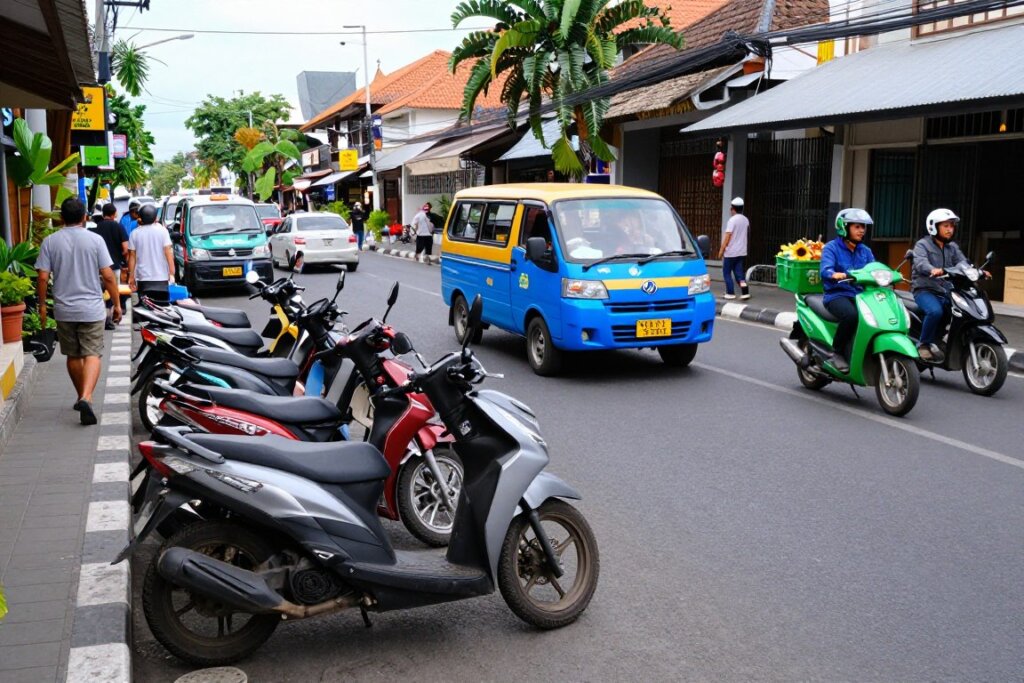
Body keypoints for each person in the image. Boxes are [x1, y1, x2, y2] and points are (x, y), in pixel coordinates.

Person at [35, 198, 121, 425]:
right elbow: (109, 275)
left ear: (61, 218)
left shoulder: (50, 241)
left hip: (64, 309)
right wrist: (117, 304)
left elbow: (43, 277)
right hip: (92, 308)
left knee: (73, 355)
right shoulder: (95, 240)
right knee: (92, 353)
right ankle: (87, 396)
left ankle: (80, 396)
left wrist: (43, 305)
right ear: (85, 217)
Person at [910, 209, 984, 362]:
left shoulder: (952, 247)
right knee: (935, 311)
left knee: (960, 311)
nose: (950, 229)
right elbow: (921, 263)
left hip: (946, 290)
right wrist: (932, 270)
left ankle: (937, 339)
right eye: (946, 226)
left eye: (952, 226)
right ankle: (923, 345)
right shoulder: (922, 245)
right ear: (934, 227)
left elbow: (962, 262)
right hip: (925, 290)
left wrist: (977, 271)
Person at [819, 208, 876, 373]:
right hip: (837, 294)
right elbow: (825, 269)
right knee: (851, 315)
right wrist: (834, 274)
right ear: (844, 227)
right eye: (857, 227)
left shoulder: (865, 250)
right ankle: (836, 352)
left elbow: (874, 268)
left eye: (863, 227)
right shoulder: (831, 248)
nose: (862, 231)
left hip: (861, 295)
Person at [89, 204, 129, 330]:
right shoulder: (118, 227)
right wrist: (123, 260)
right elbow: (125, 248)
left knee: (99, 293)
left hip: (98, 267)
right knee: (113, 292)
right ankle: (110, 317)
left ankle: (102, 317)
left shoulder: (97, 227)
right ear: (115, 213)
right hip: (114, 266)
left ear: (103, 214)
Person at [128, 204, 175, 304]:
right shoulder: (163, 231)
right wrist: (171, 272)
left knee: (144, 306)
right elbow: (168, 252)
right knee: (163, 307)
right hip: (161, 277)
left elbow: (132, 256)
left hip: (142, 278)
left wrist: (131, 276)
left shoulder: (134, 233)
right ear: (155, 217)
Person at [718, 197, 750, 300]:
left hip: (731, 252)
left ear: (733, 208)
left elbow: (728, 236)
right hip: (741, 252)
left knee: (726, 272)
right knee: (739, 273)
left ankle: (730, 293)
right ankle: (745, 292)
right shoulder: (746, 220)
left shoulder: (732, 220)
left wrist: (721, 250)